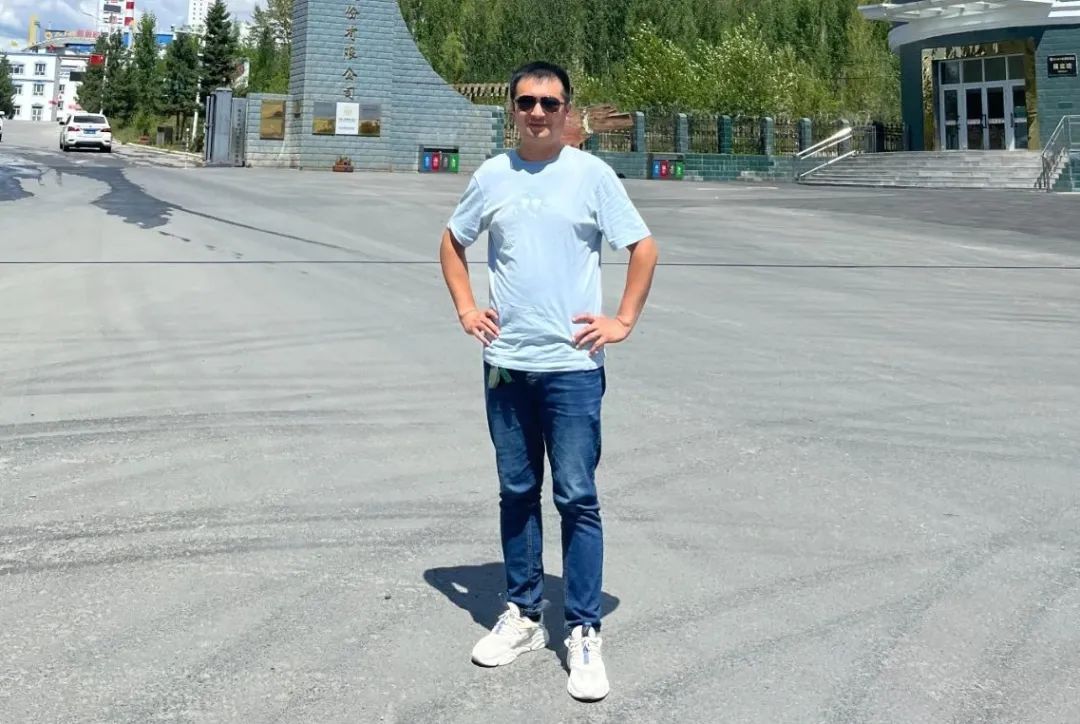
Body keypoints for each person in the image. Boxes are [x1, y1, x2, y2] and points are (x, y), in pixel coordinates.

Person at [438, 60, 658, 702]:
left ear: (567, 110)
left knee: (576, 497)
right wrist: (467, 309)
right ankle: (524, 613)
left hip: (572, 368)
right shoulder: (492, 176)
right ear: (512, 109)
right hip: (507, 362)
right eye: (527, 102)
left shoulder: (591, 175)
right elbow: (452, 241)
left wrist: (622, 320)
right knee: (516, 490)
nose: (538, 112)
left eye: (550, 103)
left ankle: (584, 627)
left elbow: (642, 247)